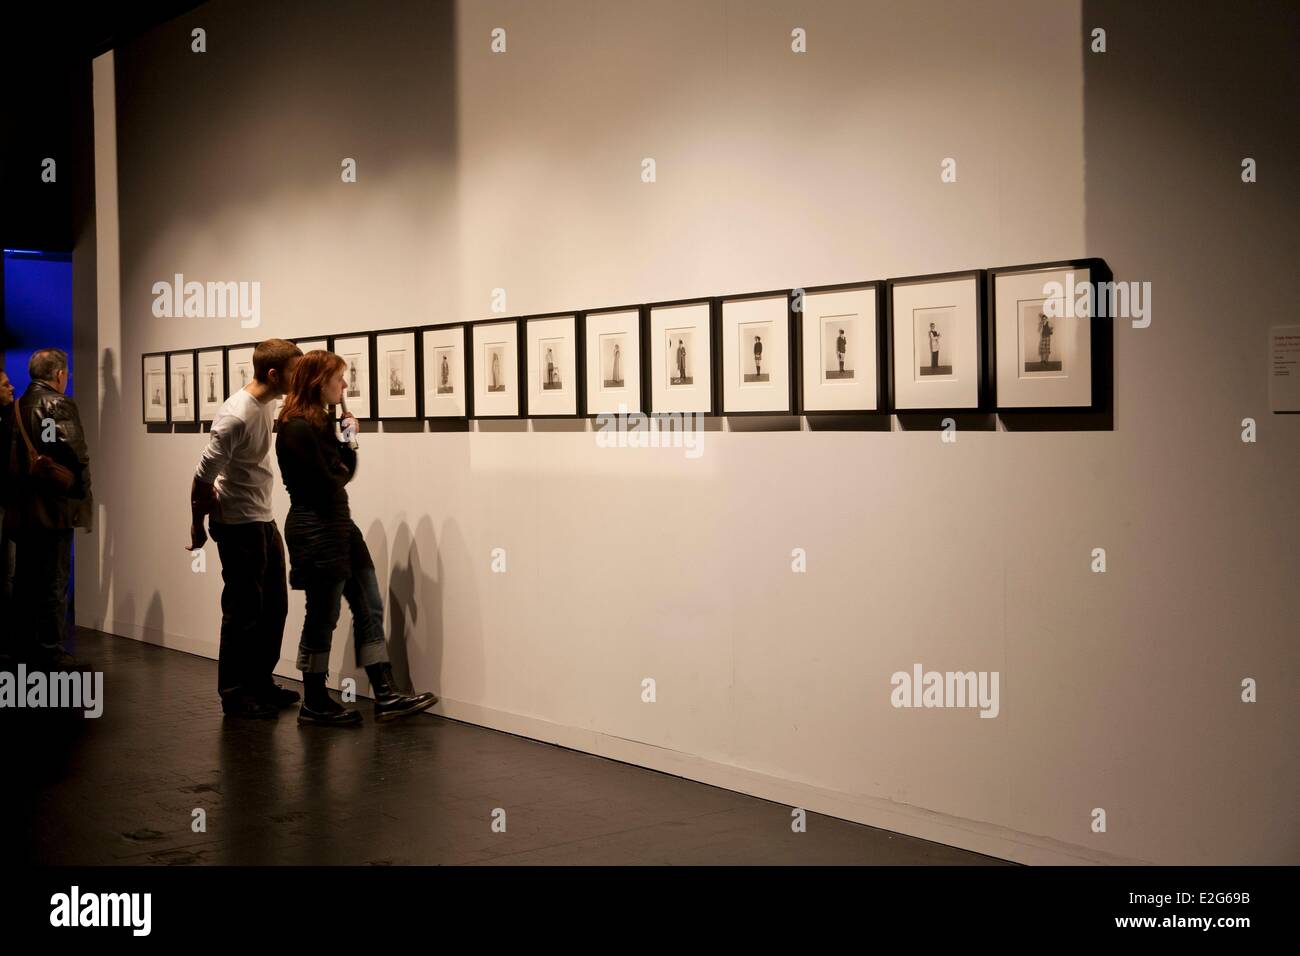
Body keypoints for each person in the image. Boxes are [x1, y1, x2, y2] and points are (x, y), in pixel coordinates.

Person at [276, 350, 438, 726]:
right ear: (319, 382)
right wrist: (346, 451)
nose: (344, 386)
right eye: (339, 378)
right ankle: (314, 700)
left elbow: (340, 473)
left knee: (369, 604)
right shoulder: (297, 428)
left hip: (338, 525)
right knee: (323, 615)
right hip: (316, 528)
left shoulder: (317, 425)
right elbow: (329, 481)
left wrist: (347, 444)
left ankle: (385, 693)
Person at [190, 338, 302, 719]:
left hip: (263, 519)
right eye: (293, 371)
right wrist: (197, 525)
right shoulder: (235, 416)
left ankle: (260, 682)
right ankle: (235, 692)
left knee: (274, 607)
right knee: (242, 611)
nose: (298, 377)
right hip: (238, 524)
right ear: (273, 374)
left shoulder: (266, 404)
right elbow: (203, 477)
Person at [10, 349, 92, 669]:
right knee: (54, 579)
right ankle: (49, 648)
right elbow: (74, 453)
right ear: (59, 375)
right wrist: (83, 495)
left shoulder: (17, 405)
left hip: (24, 508)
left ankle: (24, 644)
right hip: (53, 508)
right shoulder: (57, 403)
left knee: (27, 577)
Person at [0, 370, 16, 662]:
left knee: (9, 572)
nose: (11, 387)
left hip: (11, 504)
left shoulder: (13, 417)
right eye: (5, 384)